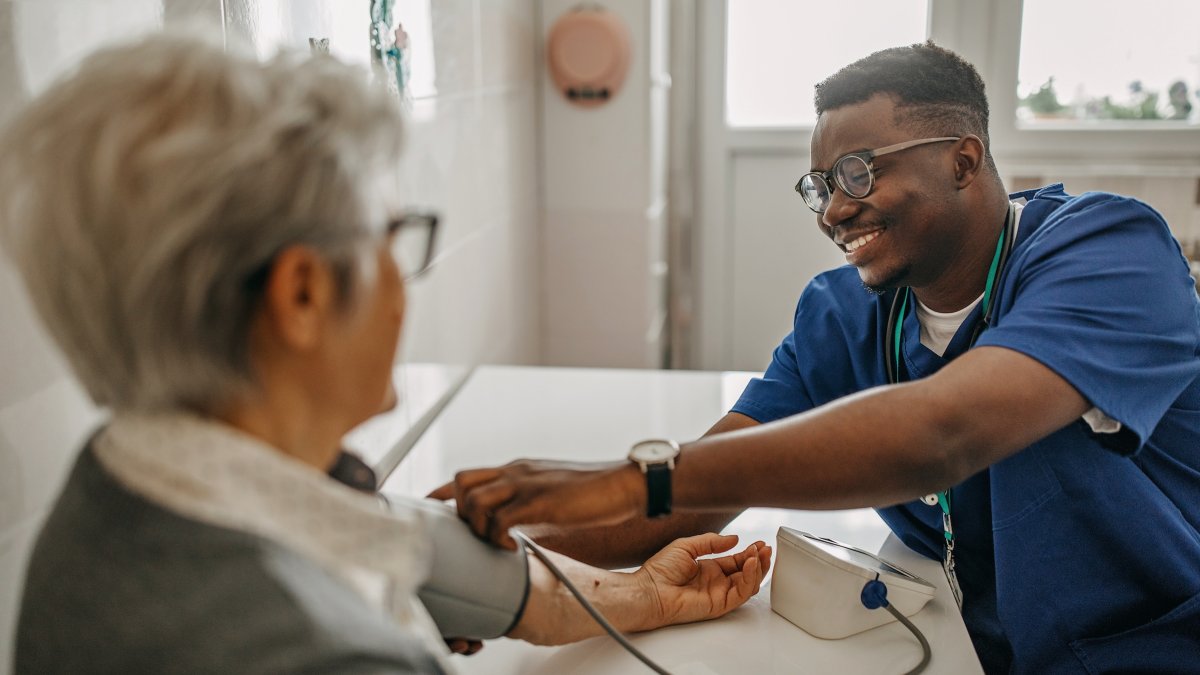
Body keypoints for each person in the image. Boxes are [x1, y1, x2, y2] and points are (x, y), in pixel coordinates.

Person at [0, 33, 771, 674]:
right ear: (301, 293)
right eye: (391, 238)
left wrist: (644, 595)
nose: (404, 281)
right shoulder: (318, 651)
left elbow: (423, 551)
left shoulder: (129, 471)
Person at [435, 42, 1200, 674]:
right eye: (821, 185)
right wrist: (476, 572)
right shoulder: (841, 315)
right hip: (969, 646)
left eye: (860, 173)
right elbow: (700, 493)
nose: (834, 208)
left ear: (963, 161)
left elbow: (944, 433)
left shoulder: (1111, 253)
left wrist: (632, 473)